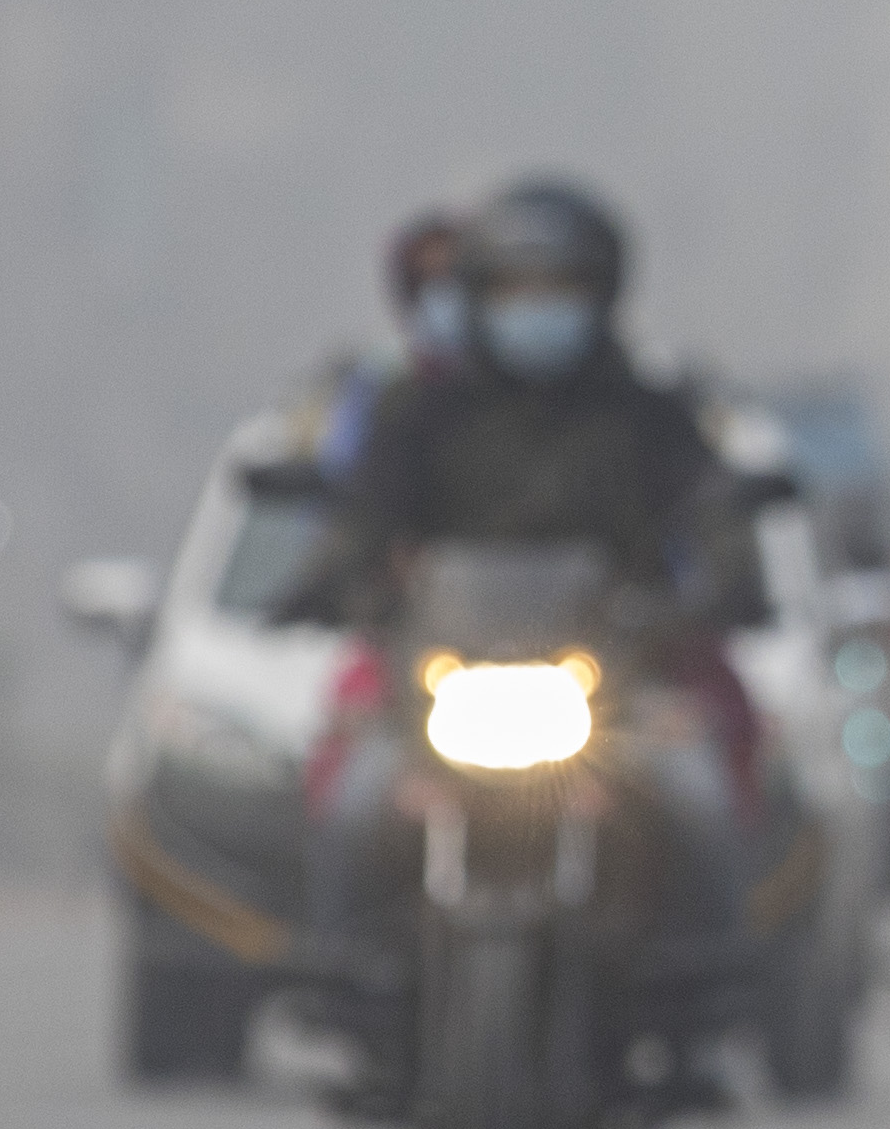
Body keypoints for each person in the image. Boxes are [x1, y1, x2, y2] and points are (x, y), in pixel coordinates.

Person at [289, 176, 769, 1025]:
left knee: (699, 803)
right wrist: (345, 585)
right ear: (476, 301)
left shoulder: (647, 415)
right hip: (447, 684)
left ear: (604, 297)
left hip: (608, 691)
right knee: (355, 805)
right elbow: (360, 523)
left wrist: (710, 591)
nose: (537, 313)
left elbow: (714, 517)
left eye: (560, 293)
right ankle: (346, 991)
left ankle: (709, 998)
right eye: (515, 293)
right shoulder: (421, 413)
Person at [313, 206, 476, 475]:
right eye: (428, 282)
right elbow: (344, 473)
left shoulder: (523, 377)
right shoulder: (380, 384)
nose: (445, 294)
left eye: (456, 278)